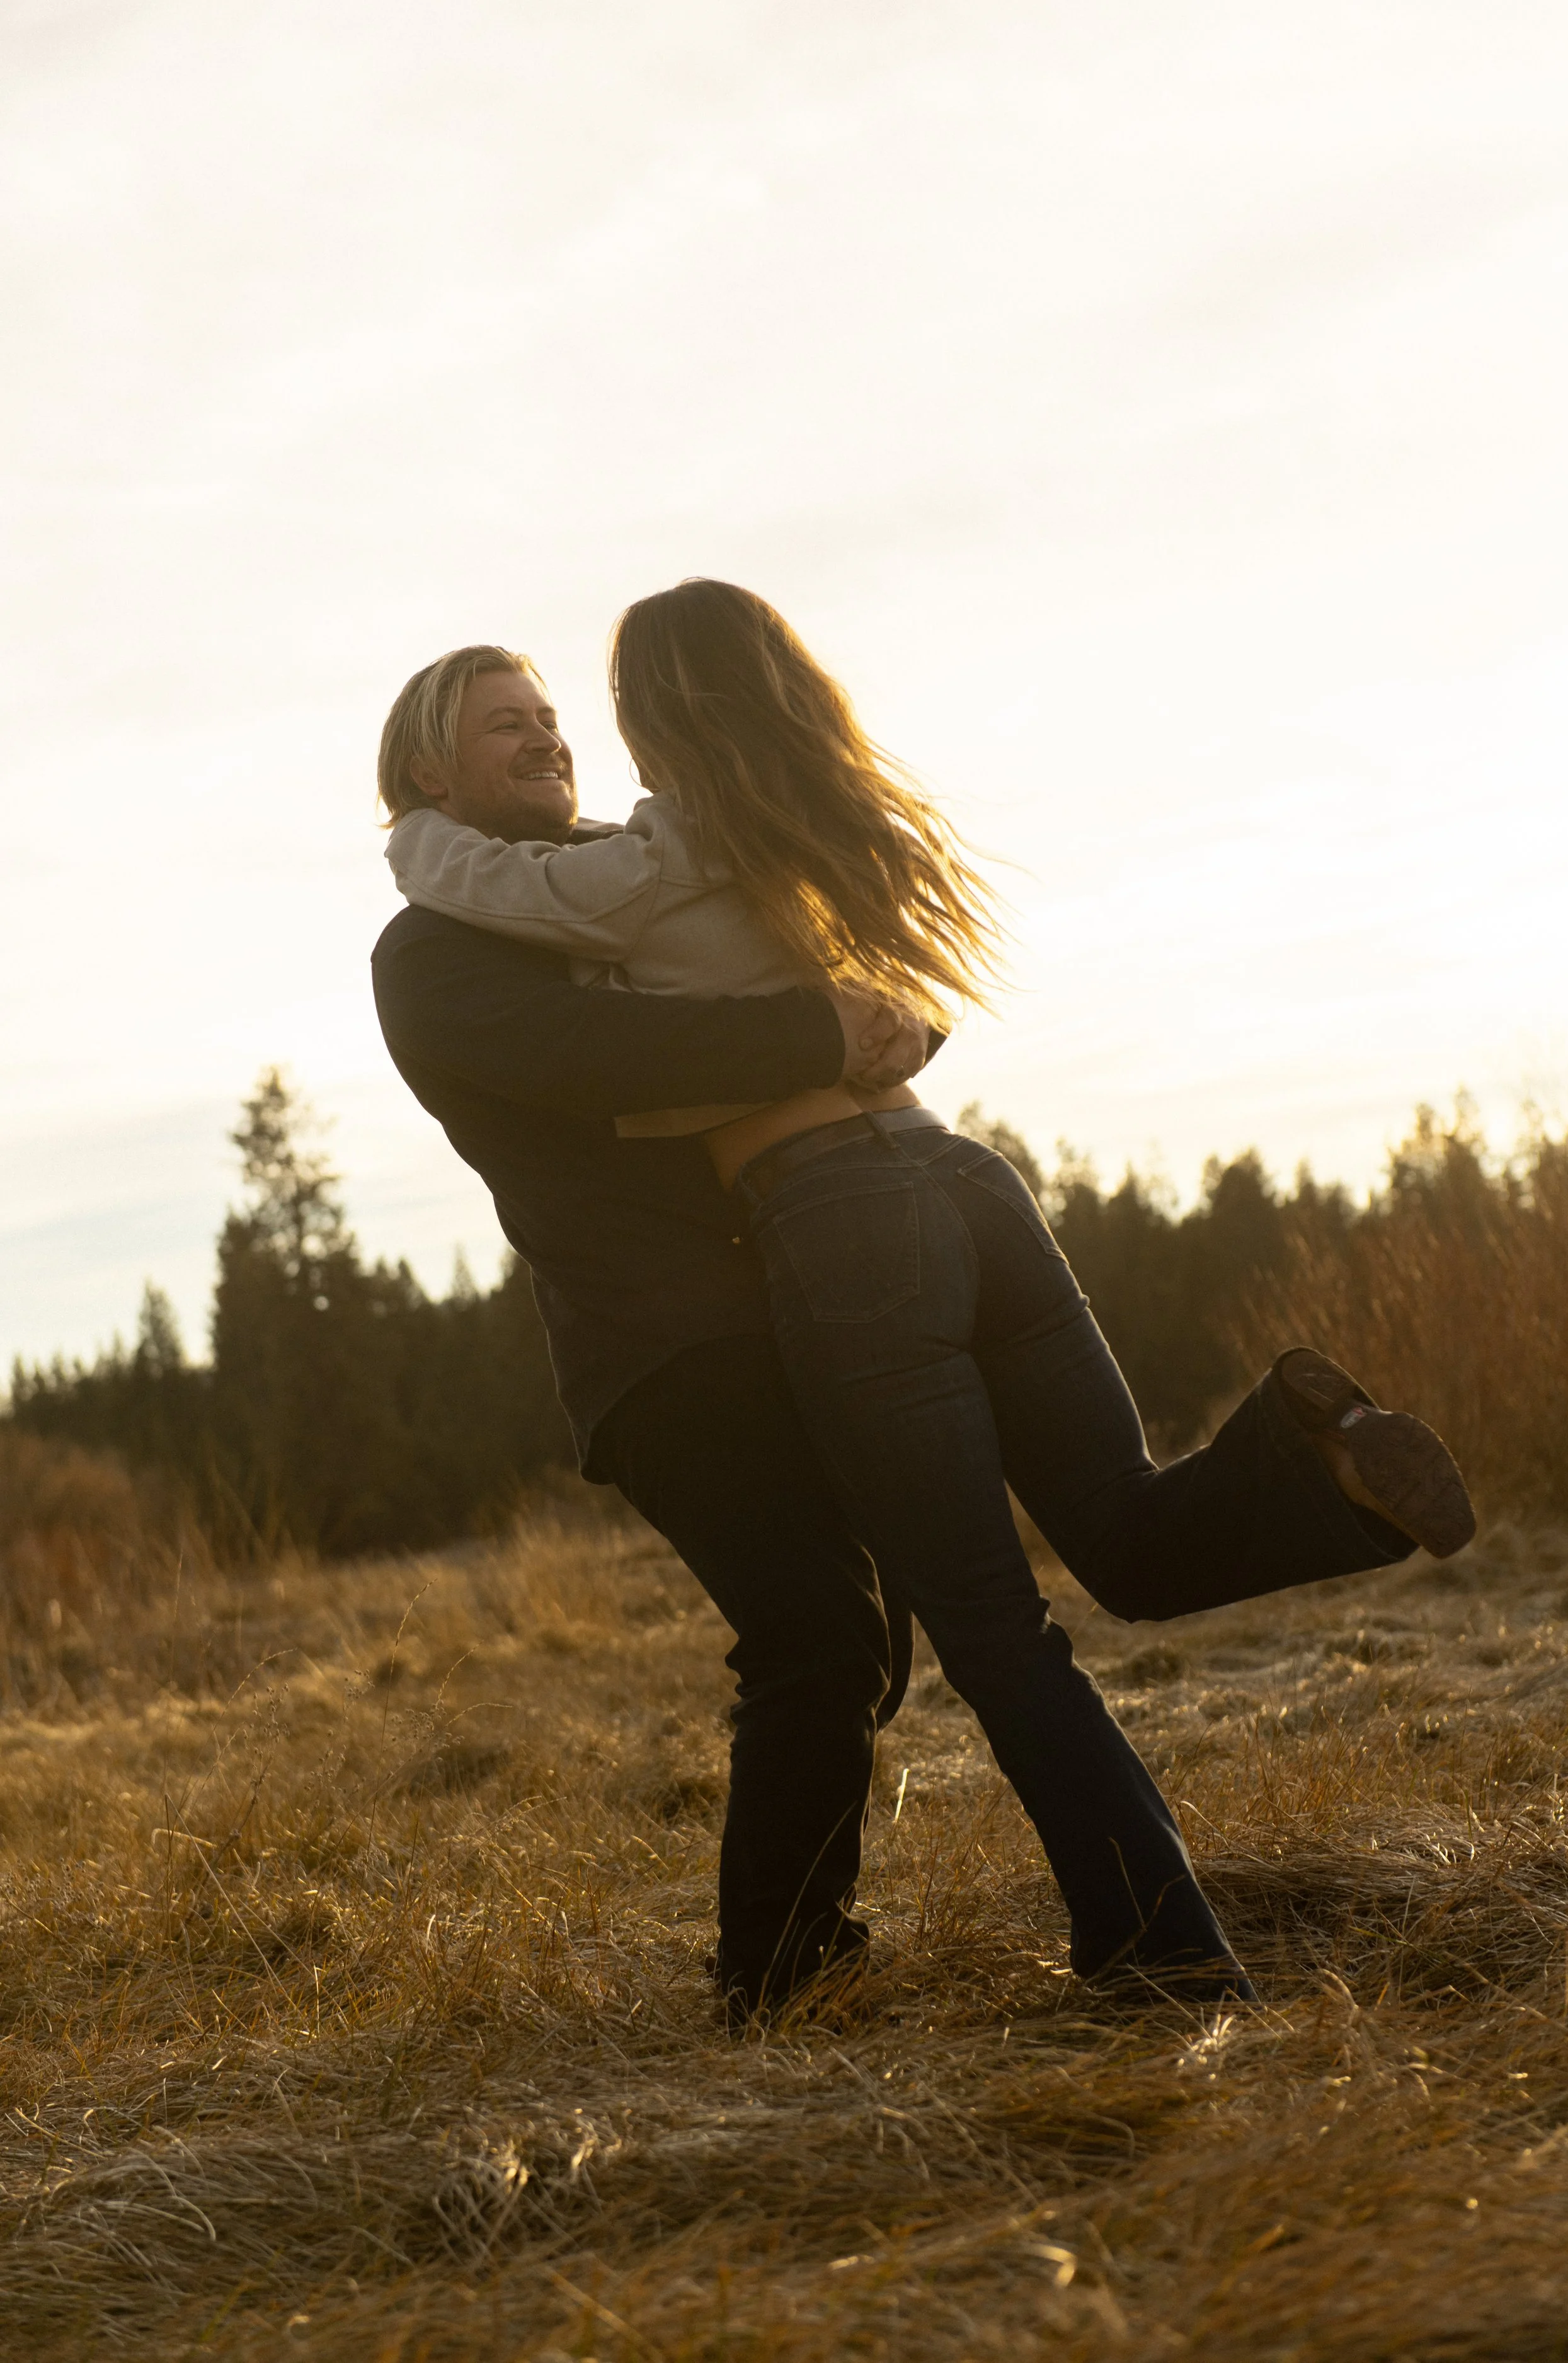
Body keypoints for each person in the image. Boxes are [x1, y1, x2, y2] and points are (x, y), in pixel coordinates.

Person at [380, 589, 1475, 2015]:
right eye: (502, 724)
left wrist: (420, 841)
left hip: (841, 1228)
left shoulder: (631, 865)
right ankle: (1310, 1457)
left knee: (987, 1631)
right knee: (1124, 1538)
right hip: (951, 1194)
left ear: (653, 715)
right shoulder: (735, 831)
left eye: (556, 714)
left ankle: (1157, 1955)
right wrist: (839, 1018)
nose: (547, 736)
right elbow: (627, 1043)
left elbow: (620, 962)